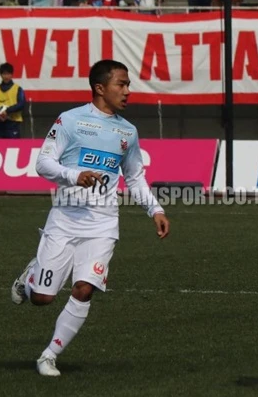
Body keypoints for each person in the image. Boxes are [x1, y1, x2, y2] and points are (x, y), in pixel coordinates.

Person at [10, 59, 169, 377]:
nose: (127, 91)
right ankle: (30, 278)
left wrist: (156, 210)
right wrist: (74, 175)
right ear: (100, 88)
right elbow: (43, 163)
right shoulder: (70, 120)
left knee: (84, 289)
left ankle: (49, 356)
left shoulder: (128, 131)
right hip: (65, 219)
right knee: (42, 298)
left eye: (128, 84)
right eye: (121, 84)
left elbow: (134, 177)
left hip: (103, 224)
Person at [0, 63, 26, 138]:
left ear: (11, 75)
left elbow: (21, 104)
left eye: (8, 74)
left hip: (13, 123)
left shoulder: (18, 89)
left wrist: (7, 111)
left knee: (13, 145)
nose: (6, 76)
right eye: (4, 74)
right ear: (1, 75)